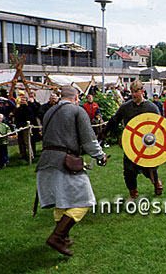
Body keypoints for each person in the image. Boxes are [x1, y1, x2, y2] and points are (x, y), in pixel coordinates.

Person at [35, 86, 107, 256]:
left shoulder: (49, 112)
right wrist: (100, 156)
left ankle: (63, 239)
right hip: (64, 162)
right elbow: (89, 140)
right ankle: (56, 237)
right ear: (76, 97)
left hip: (46, 161)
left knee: (62, 202)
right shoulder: (77, 110)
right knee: (84, 200)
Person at [100, 80, 163, 200]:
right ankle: (133, 193)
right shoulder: (125, 107)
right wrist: (104, 133)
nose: (134, 95)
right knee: (129, 171)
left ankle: (156, 182)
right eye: (132, 92)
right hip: (131, 144)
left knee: (149, 167)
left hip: (147, 143)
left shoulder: (151, 107)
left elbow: (160, 126)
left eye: (136, 92)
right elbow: (114, 120)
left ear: (142, 91)